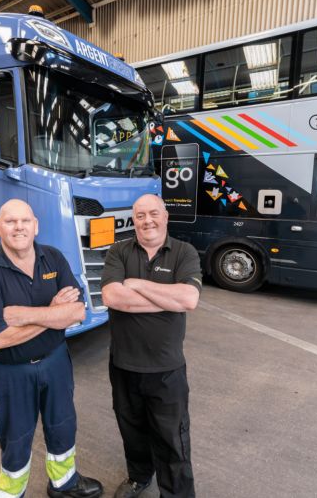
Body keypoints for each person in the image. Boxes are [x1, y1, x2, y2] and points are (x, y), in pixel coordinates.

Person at [0, 199, 104, 498]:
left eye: (25, 221)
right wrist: (54, 314)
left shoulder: (53, 258)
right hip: (12, 373)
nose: (19, 227)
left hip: (56, 363)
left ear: (36, 226)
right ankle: (12, 494)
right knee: (16, 438)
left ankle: (64, 483)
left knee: (63, 425)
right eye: (11, 221)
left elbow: (78, 312)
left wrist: (24, 315)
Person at [100, 194, 202, 498]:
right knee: (132, 431)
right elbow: (112, 297)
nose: (148, 221)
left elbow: (188, 299)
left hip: (166, 369)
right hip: (124, 366)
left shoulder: (184, 252)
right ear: (134, 220)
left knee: (173, 439)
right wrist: (167, 299)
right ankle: (139, 477)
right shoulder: (118, 251)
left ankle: (177, 494)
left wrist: (138, 285)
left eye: (154, 213)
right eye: (141, 215)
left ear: (165, 216)